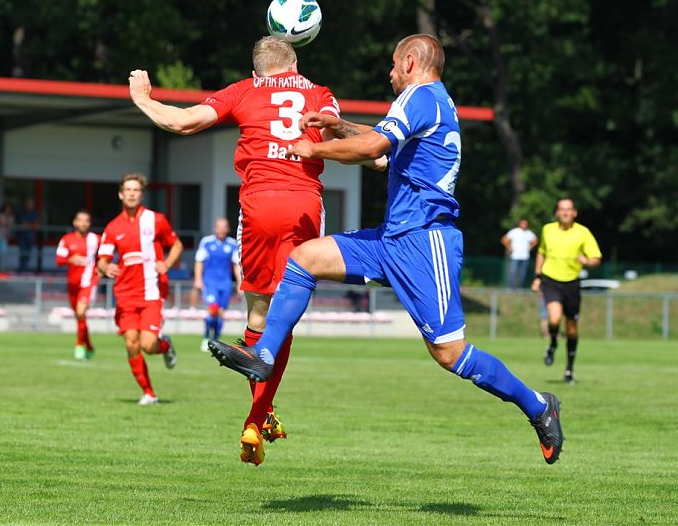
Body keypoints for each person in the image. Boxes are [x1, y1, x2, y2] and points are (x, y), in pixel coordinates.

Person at [209, 34, 565, 466]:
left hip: (424, 240)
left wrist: (313, 148)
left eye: (394, 65)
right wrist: (335, 125)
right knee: (304, 258)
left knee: (450, 353)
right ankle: (263, 354)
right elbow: (378, 145)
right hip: (392, 237)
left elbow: (374, 148)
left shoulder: (422, 97)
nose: (390, 73)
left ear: (412, 62)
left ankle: (538, 406)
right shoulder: (427, 103)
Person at [129, 36, 383, 464]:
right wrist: (379, 155)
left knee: (258, 314)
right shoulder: (319, 93)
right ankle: (256, 417)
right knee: (285, 315)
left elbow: (183, 122)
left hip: (259, 205)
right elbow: (342, 138)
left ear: (256, 71)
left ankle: (261, 417)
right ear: (296, 63)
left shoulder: (243, 91)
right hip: (304, 202)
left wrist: (143, 98)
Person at [96, 173, 183, 406]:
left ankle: (164, 346)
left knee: (148, 344)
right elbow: (101, 261)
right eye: (128, 190)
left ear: (141, 194)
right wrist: (106, 267)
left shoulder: (156, 220)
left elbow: (176, 244)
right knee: (131, 343)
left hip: (152, 291)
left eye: (136, 190)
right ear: (121, 194)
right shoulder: (113, 227)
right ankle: (149, 393)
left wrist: (166, 263)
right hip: (124, 294)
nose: (132, 193)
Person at [531, 198, 602, 384]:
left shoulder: (583, 232)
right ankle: (553, 343)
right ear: (556, 212)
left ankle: (569, 369)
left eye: (569, 209)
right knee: (554, 318)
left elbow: (596, 258)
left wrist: (588, 261)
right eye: (562, 209)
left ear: (574, 213)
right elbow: (541, 252)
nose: (565, 212)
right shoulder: (548, 229)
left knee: (571, 329)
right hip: (551, 280)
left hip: (572, 284)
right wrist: (537, 277)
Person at [56, 209, 100, 361]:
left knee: (81, 313)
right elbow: (59, 259)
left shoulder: (96, 239)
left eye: (86, 220)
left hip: (89, 282)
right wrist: (71, 260)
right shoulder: (67, 239)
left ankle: (79, 344)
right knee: (80, 317)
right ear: (75, 222)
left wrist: (102, 268)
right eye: (80, 220)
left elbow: (107, 254)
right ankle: (89, 346)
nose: (83, 223)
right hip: (73, 284)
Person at [193, 218, 242, 353]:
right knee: (213, 309)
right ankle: (206, 337)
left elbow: (236, 265)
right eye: (219, 227)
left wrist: (239, 282)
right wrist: (198, 279)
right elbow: (199, 261)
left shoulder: (232, 244)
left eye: (224, 227)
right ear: (215, 228)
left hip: (225, 283)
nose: (221, 229)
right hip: (210, 282)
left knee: (220, 313)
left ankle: (216, 339)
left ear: (227, 229)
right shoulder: (206, 242)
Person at [501, 218, 538, 289]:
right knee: (512, 272)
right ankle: (510, 288)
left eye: (525, 223)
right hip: (515, 256)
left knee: (522, 274)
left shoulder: (529, 233)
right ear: (519, 224)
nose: (524, 225)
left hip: (525, 256)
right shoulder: (514, 232)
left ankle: (520, 288)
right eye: (522, 223)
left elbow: (535, 240)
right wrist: (509, 248)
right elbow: (504, 239)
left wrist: (530, 247)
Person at [16, 197, 38, 272]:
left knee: (28, 253)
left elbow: (35, 225)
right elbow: (22, 224)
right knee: (23, 252)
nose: (29, 205)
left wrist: (28, 225)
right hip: (22, 236)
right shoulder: (22, 212)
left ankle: (25, 268)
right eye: (28, 203)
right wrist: (30, 225)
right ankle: (22, 269)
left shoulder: (34, 213)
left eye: (31, 203)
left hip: (30, 236)